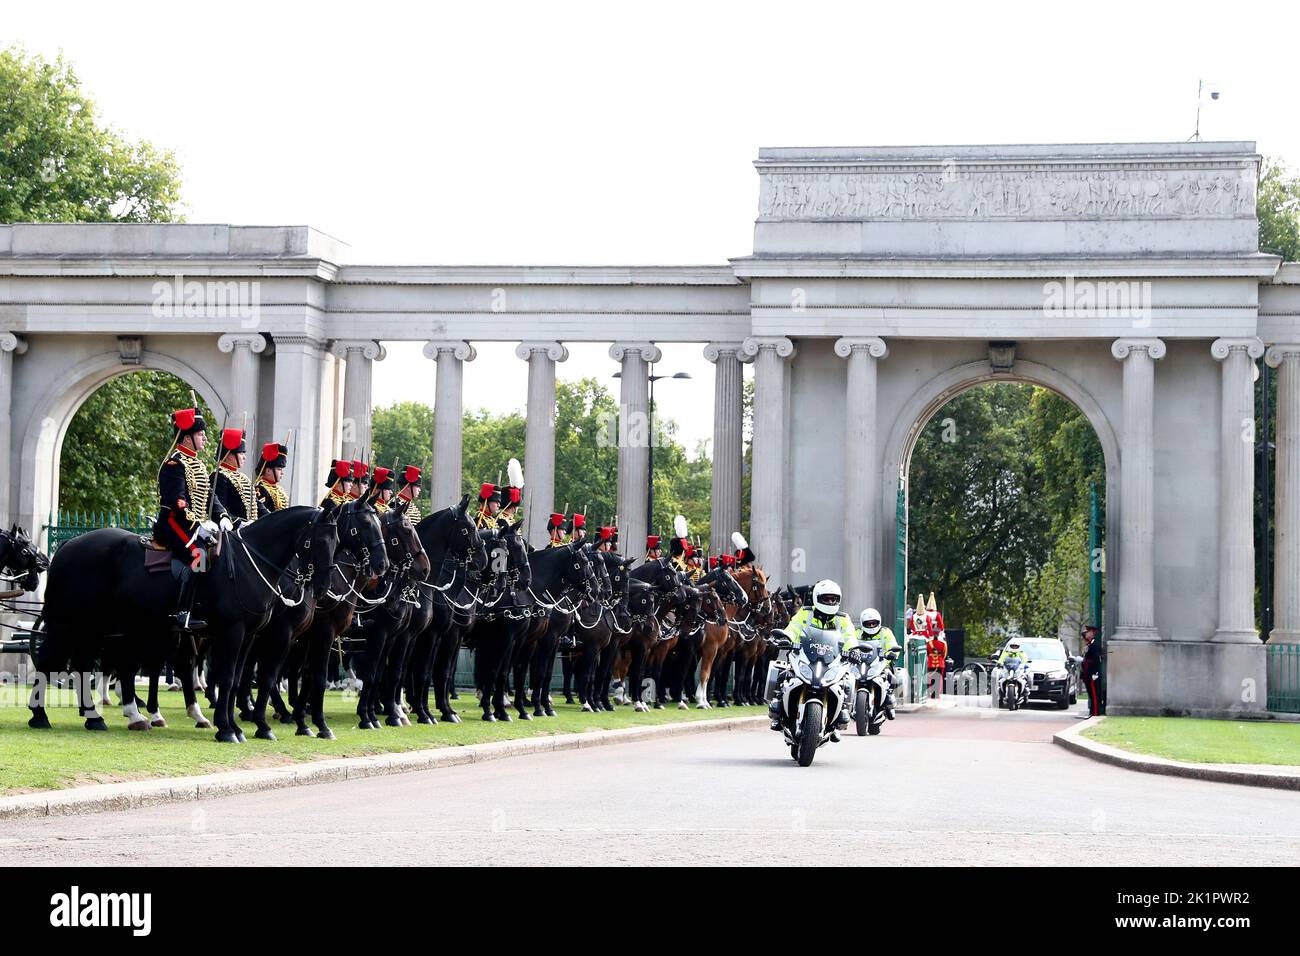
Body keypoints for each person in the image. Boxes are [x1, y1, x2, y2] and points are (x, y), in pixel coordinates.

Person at [154, 407, 231, 631]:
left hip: (194, 526)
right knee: (199, 555)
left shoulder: (197, 464)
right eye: (200, 435)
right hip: (174, 524)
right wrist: (198, 525)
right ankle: (184, 612)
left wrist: (223, 515)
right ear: (187, 438)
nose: (205, 438)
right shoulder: (174, 465)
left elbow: (210, 496)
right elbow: (177, 503)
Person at [770, 579, 857, 733]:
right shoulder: (806, 612)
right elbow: (794, 627)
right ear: (817, 598)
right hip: (806, 656)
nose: (830, 602)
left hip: (830, 661)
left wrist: (853, 650)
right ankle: (778, 712)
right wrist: (787, 638)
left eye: (833, 599)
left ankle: (838, 718)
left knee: (846, 683)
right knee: (784, 675)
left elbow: (850, 636)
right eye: (826, 598)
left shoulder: (843, 619)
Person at [211, 428, 260, 522]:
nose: (244, 457)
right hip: (231, 531)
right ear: (229, 455)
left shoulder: (243, 478)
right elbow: (221, 508)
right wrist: (238, 522)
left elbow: (258, 506)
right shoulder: (219, 476)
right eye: (241, 453)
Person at [859, 606, 898, 718]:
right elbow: (851, 643)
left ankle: (889, 701)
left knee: (889, 676)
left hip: (881, 663)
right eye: (868, 624)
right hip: (861, 663)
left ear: (879, 623)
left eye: (874, 623)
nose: (871, 626)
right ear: (862, 624)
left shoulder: (885, 632)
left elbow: (892, 644)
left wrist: (892, 653)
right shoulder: (857, 632)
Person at [254, 442, 289, 513]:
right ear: (268, 471)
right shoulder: (260, 489)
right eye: (279, 469)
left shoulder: (280, 489)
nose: (282, 473)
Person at [1081, 625, 1106, 716]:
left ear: (1092, 633)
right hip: (1088, 673)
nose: (1085, 633)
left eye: (1088, 631)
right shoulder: (1089, 645)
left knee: (1095, 694)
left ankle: (1095, 712)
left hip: (1093, 673)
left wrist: (1084, 661)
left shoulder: (1094, 645)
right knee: (1091, 694)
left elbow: (1095, 660)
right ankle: (1092, 711)